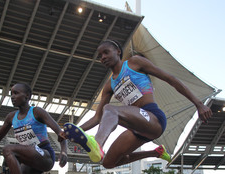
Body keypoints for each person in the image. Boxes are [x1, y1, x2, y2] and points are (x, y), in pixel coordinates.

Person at [63, 39, 212, 167]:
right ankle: (155, 152)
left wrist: (199, 104)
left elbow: (170, 79)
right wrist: (72, 131)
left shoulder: (134, 63)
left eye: (106, 52)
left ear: (117, 51)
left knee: (111, 109)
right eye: (100, 56)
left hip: (153, 117)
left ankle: (98, 143)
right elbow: (98, 117)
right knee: (108, 163)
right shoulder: (109, 86)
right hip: (137, 129)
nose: (102, 57)